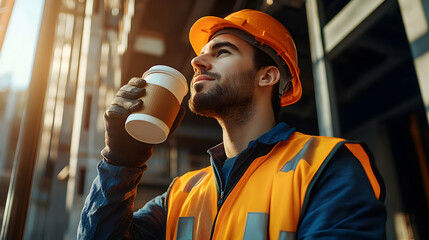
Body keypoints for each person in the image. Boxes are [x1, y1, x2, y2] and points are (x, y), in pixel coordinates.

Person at [78, 9, 386, 239]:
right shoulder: (182, 193)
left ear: (267, 76)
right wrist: (120, 161)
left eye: (222, 51)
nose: (197, 62)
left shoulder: (327, 165)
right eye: (200, 55)